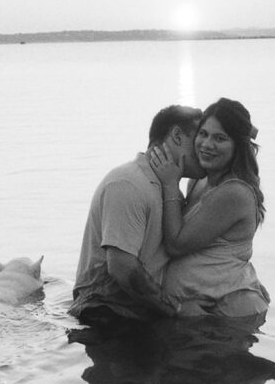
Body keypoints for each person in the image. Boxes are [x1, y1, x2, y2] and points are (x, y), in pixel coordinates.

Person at [68, 104, 204, 326]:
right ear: (177, 136)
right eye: (199, 138)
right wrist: (175, 309)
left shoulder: (171, 193)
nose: (204, 147)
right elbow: (122, 268)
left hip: (140, 312)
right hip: (105, 314)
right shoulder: (128, 182)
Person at [149, 97, 270, 318]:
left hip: (229, 312)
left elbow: (177, 244)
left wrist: (169, 183)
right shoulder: (198, 181)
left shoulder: (233, 192)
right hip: (202, 311)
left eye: (220, 138)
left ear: (238, 146)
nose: (206, 145)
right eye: (203, 134)